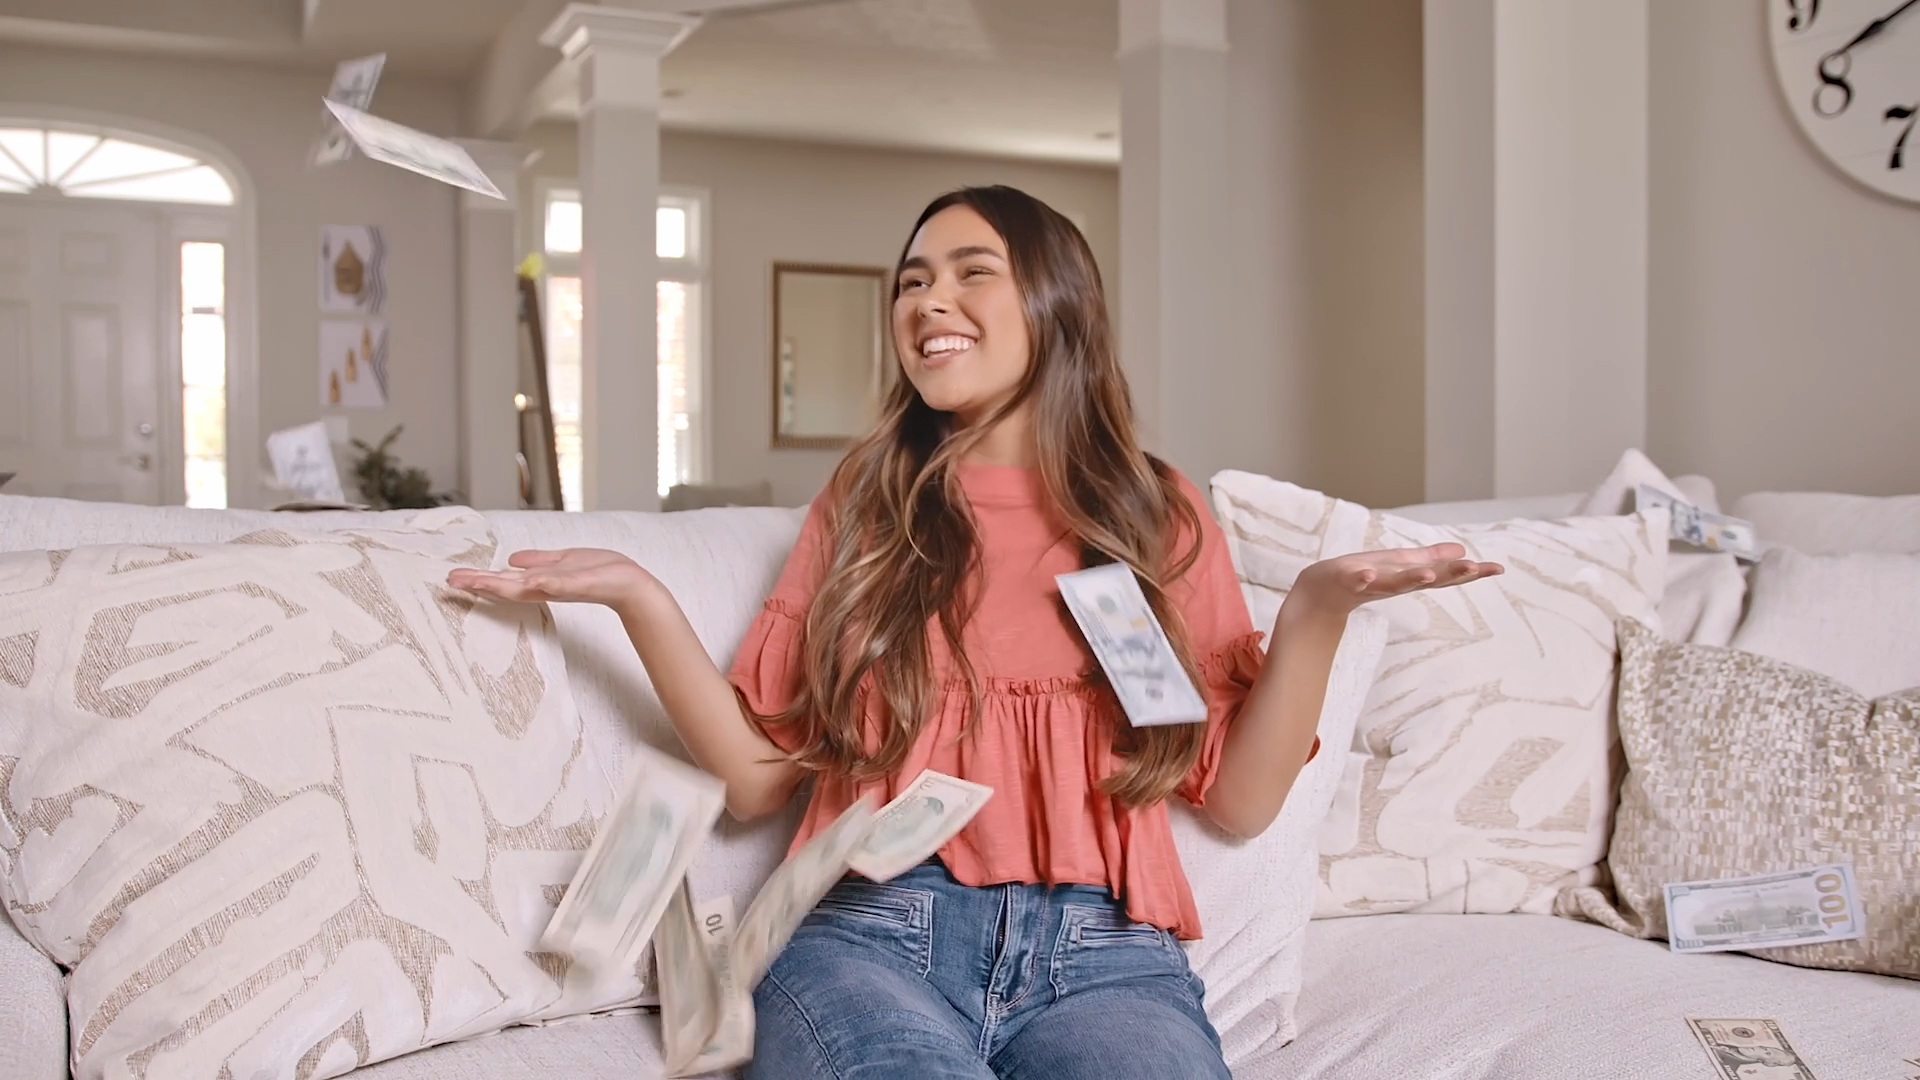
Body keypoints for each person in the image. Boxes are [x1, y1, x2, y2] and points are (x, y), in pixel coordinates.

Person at [448, 185, 1502, 1079]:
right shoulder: (874, 507)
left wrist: (1316, 611)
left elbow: (1234, 799)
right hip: (872, 941)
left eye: (968, 272)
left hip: (1110, 959)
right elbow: (763, 780)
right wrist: (641, 599)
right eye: (911, 281)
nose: (927, 302)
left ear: (1055, 301)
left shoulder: (1145, 517)